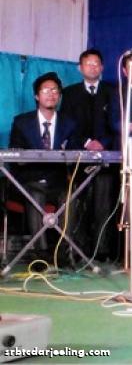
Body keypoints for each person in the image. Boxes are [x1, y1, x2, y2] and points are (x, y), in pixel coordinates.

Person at [9, 72, 79, 256]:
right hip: (30, 182)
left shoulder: (69, 123)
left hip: (58, 182)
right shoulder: (22, 122)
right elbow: (14, 157)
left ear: (60, 96)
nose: (51, 94)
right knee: (35, 194)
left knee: (71, 196)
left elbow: (75, 154)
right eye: (46, 90)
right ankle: (39, 254)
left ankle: (64, 252)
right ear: (36, 96)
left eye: (55, 90)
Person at [60, 49, 117, 261]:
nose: (93, 67)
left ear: (102, 67)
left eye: (96, 64)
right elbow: (66, 124)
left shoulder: (112, 91)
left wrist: (103, 143)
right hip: (79, 156)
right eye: (88, 63)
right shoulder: (70, 93)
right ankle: (78, 249)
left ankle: (102, 251)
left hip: (106, 155)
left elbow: (116, 123)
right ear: (80, 68)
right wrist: (86, 142)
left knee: (103, 203)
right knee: (79, 203)